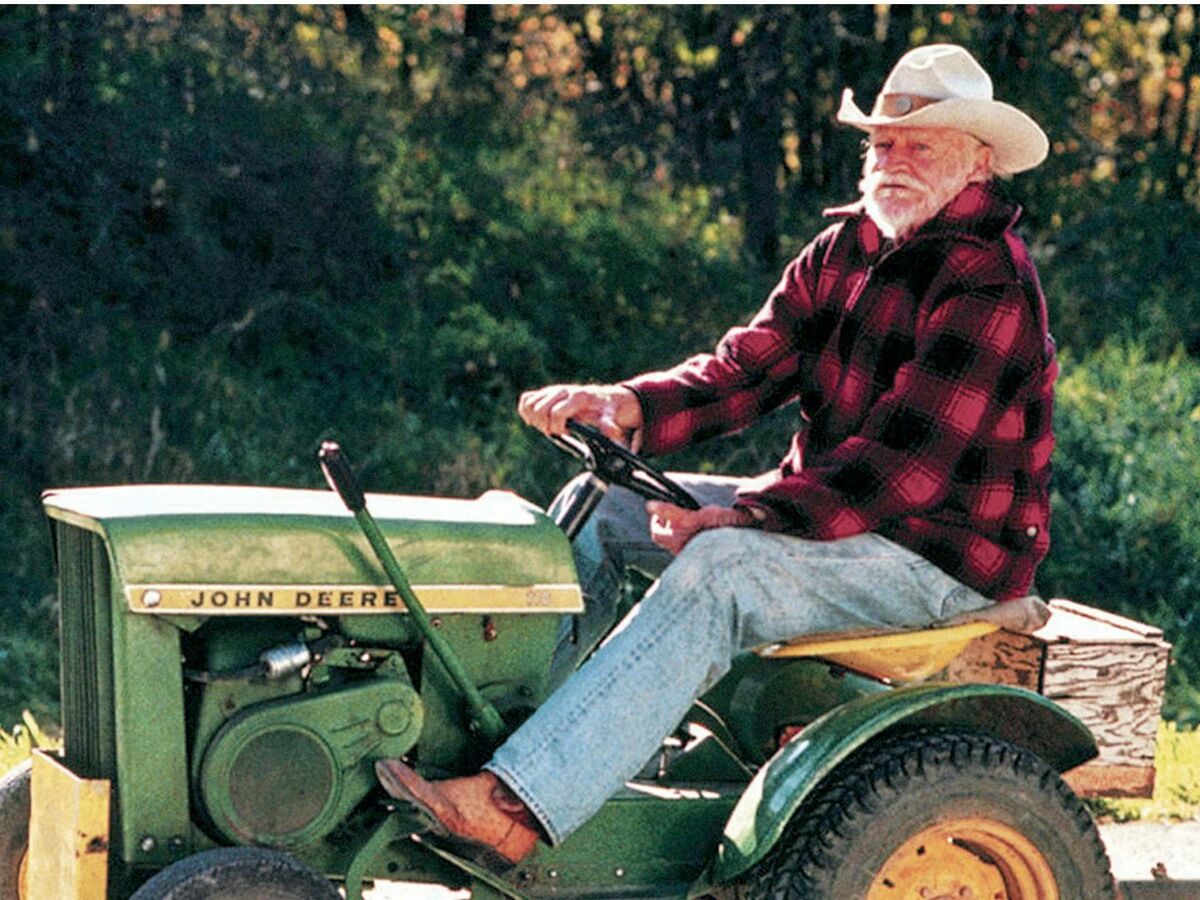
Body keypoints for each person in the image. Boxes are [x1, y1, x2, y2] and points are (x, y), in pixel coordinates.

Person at [374, 43, 1058, 870]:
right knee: (597, 507)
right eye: (882, 143)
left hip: (939, 558)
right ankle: (505, 746)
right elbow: (743, 372)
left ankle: (517, 807)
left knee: (722, 570)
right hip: (843, 522)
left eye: (921, 145)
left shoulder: (989, 282)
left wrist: (746, 519)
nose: (894, 161)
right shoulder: (844, 249)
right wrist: (625, 405)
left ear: (978, 164)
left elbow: (900, 470)